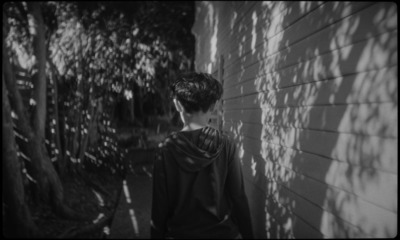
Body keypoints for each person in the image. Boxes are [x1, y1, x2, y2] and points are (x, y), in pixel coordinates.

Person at [151, 72, 254, 239]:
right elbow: (239, 198)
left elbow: (159, 210)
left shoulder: (165, 151)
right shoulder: (226, 144)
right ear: (213, 106)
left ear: (177, 105)